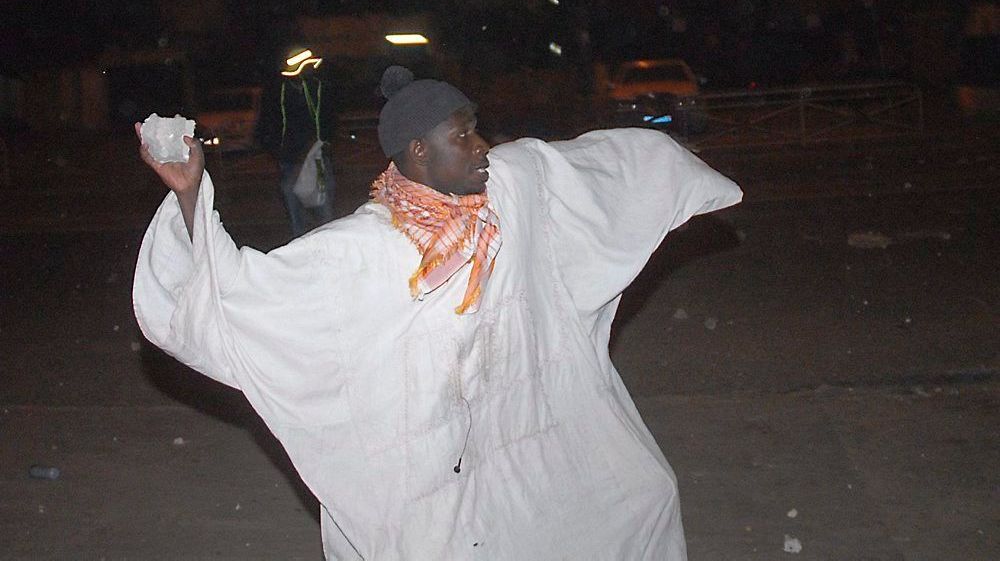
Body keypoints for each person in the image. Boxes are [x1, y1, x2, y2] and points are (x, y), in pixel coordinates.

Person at [133, 65, 742, 559]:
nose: (483, 148)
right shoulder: (368, 248)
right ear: (418, 152)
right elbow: (241, 299)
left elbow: (587, 169)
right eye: (464, 136)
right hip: (429, 469)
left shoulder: (507, 192)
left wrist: (670, 170)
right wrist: (190, 194)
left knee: (638, 497)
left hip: (526, 431)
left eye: (477, 129)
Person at [256, 46, 337, 236]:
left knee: (324, 206)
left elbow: (329, 117)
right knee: (294, 205)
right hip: (290, 158)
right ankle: (300, 242)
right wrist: (275, 149)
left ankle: (328, 241)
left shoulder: (316, 87)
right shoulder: (277, 91)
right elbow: (268, 121)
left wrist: (326, 142)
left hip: (317, 155)